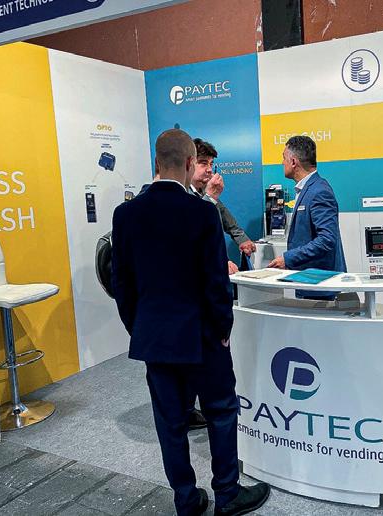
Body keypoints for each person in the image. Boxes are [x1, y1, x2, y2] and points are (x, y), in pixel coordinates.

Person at [111, 129, 270, 516]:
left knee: (170, 422)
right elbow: (216, 282)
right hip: (202, 337)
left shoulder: (125, 214)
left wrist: (140, 328)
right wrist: (223, 329)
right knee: (221, 412)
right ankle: (227, 494)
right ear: (187, 163)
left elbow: (122, 285)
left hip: (155, 338)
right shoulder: (201, 212)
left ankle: (185, 499)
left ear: (156, 163)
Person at [268, 135, 346, 299]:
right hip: (309, 281)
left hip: (321, 284)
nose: (282, 163)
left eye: (284, 158)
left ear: (293, 162)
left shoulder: (319, 191)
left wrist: (288, 258)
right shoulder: (308, 189)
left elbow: (327, 239)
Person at [191, 138, 256, 275]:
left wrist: (243, 240)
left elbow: (227, 220)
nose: (209, 170)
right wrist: (219, 262)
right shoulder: (182, 194)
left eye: (211, 164)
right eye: (203, 163)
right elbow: (196, 232)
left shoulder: (204, 191)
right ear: (190, 164)